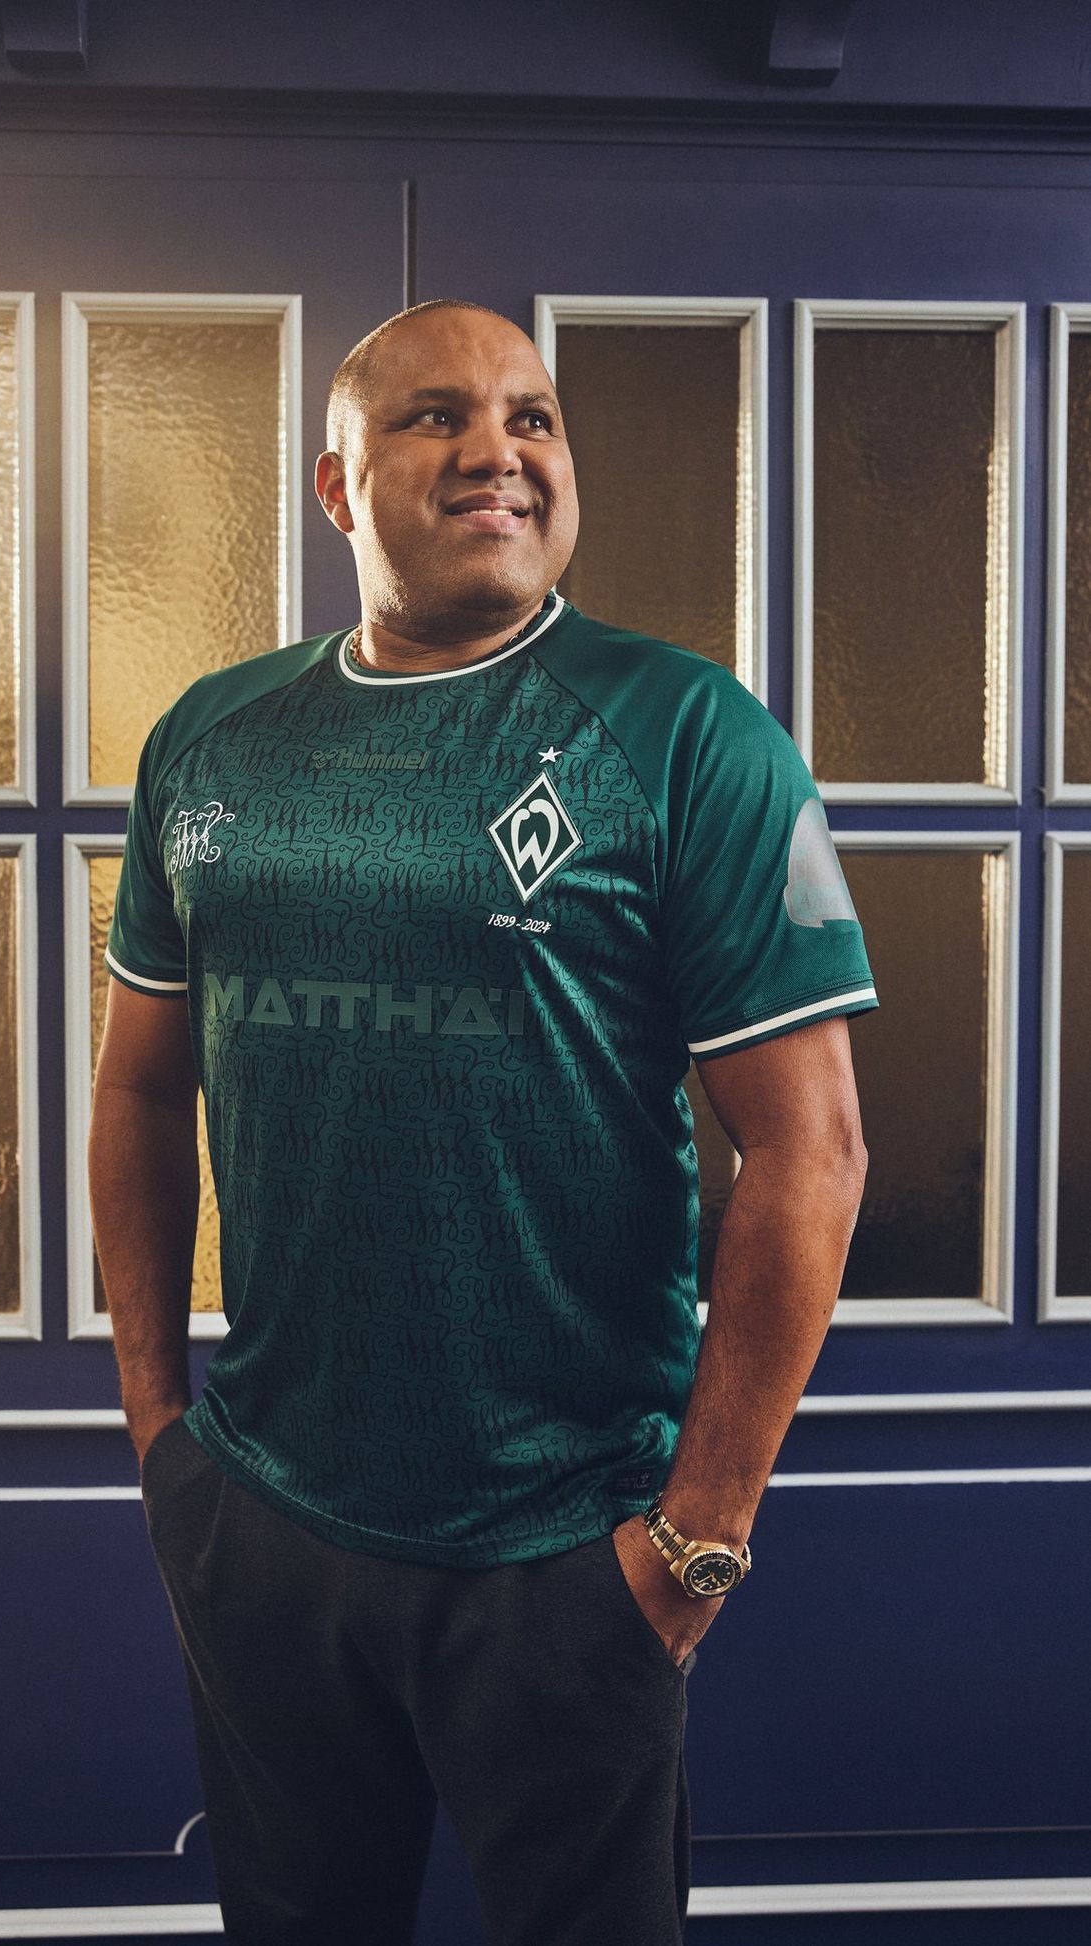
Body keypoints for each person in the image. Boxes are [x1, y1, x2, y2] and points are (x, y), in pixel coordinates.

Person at [88, 298, 877, 1946]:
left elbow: (811, 1149)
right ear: (336, 484)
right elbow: (139, 1087)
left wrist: (696, 1541)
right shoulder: (207, 742)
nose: (497, 451)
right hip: (270, 1525)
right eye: (434, 415)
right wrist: (163, 1436)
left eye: (531, 416)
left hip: (569, 1552)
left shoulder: (686, 734)